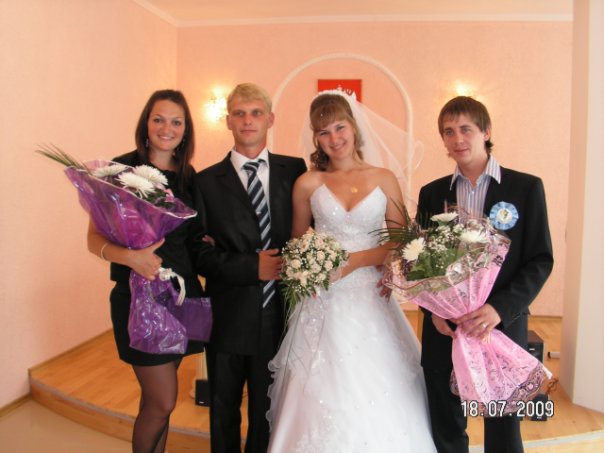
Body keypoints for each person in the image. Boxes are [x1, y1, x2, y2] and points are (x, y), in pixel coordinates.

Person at [266, 91, 437, 452]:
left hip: (370, 296)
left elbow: (400, 244)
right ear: (316, 139)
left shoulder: (384, 178)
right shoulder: (308, 183)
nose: (334, 138)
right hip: (321, 303)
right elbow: (297, 245)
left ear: (354, 127)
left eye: (339, 127)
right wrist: (308, 267)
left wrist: (354, 262)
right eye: (324, 132)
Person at [417, 96, 553, 453]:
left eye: (466, 129)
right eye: (448, 132)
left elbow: (540, 260)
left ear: (486, 132)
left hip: (498, 327)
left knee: (503, 427)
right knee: (446, 426)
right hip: (446, 329)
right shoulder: (432, 193)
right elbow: (419, 263)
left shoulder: (525, 188)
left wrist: (498, 310)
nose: (457, 138)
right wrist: (433, 311)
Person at [87, 89, 204, 453]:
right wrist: (130, 257)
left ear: (186, 130)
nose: (167, 129)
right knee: (164, 401)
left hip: (181, 297)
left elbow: (193, 240)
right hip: (137, 299)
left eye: (176, 122)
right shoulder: (120, 172)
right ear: (146, 124)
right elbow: (93, 240)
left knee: (155, 402)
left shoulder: (189, 177)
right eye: (159, 119)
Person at [193, 83, 307, 453]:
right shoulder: (205, 182)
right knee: (223, 406)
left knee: (268, 409)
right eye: (239, 113)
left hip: (280, 314)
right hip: (227, 313)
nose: (248, 120)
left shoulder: (295, 171)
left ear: (270, 119)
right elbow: (197, 253)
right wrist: (250, 266)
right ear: (228, 121)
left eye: (256, 113)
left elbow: (311, 231)